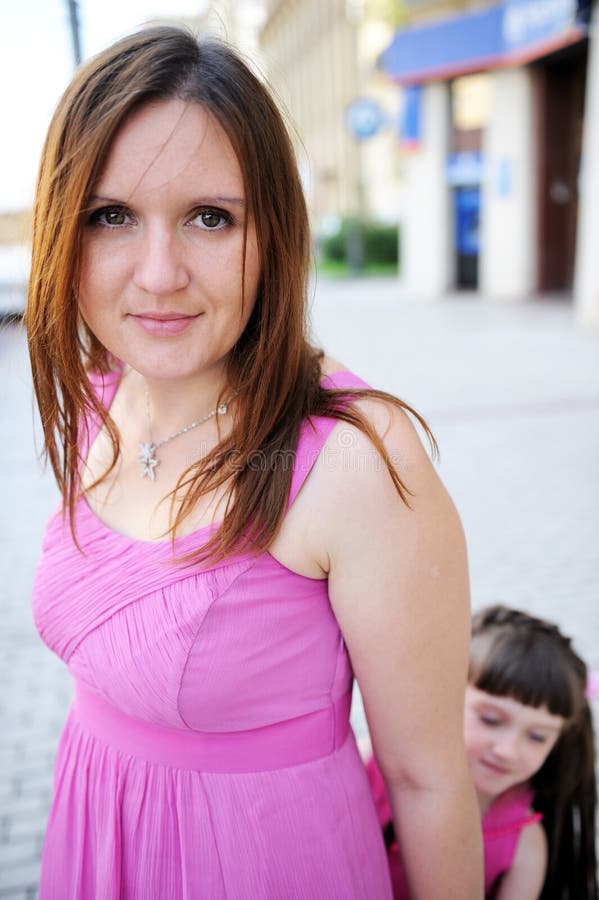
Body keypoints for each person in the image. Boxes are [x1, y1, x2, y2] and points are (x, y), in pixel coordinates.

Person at [26, 26, 482, 899]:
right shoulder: (101, 393)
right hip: (96, 843)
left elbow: (427, 784)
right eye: (111, 216)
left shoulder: (352, 461)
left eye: (209, 217)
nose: (158, 276)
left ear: (271, 232)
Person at [365, 604, 598, 900]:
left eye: (538, 737)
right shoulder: (368, 769)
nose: (508, 751)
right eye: (490, 720)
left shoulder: (523, 841)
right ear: (444, 694)